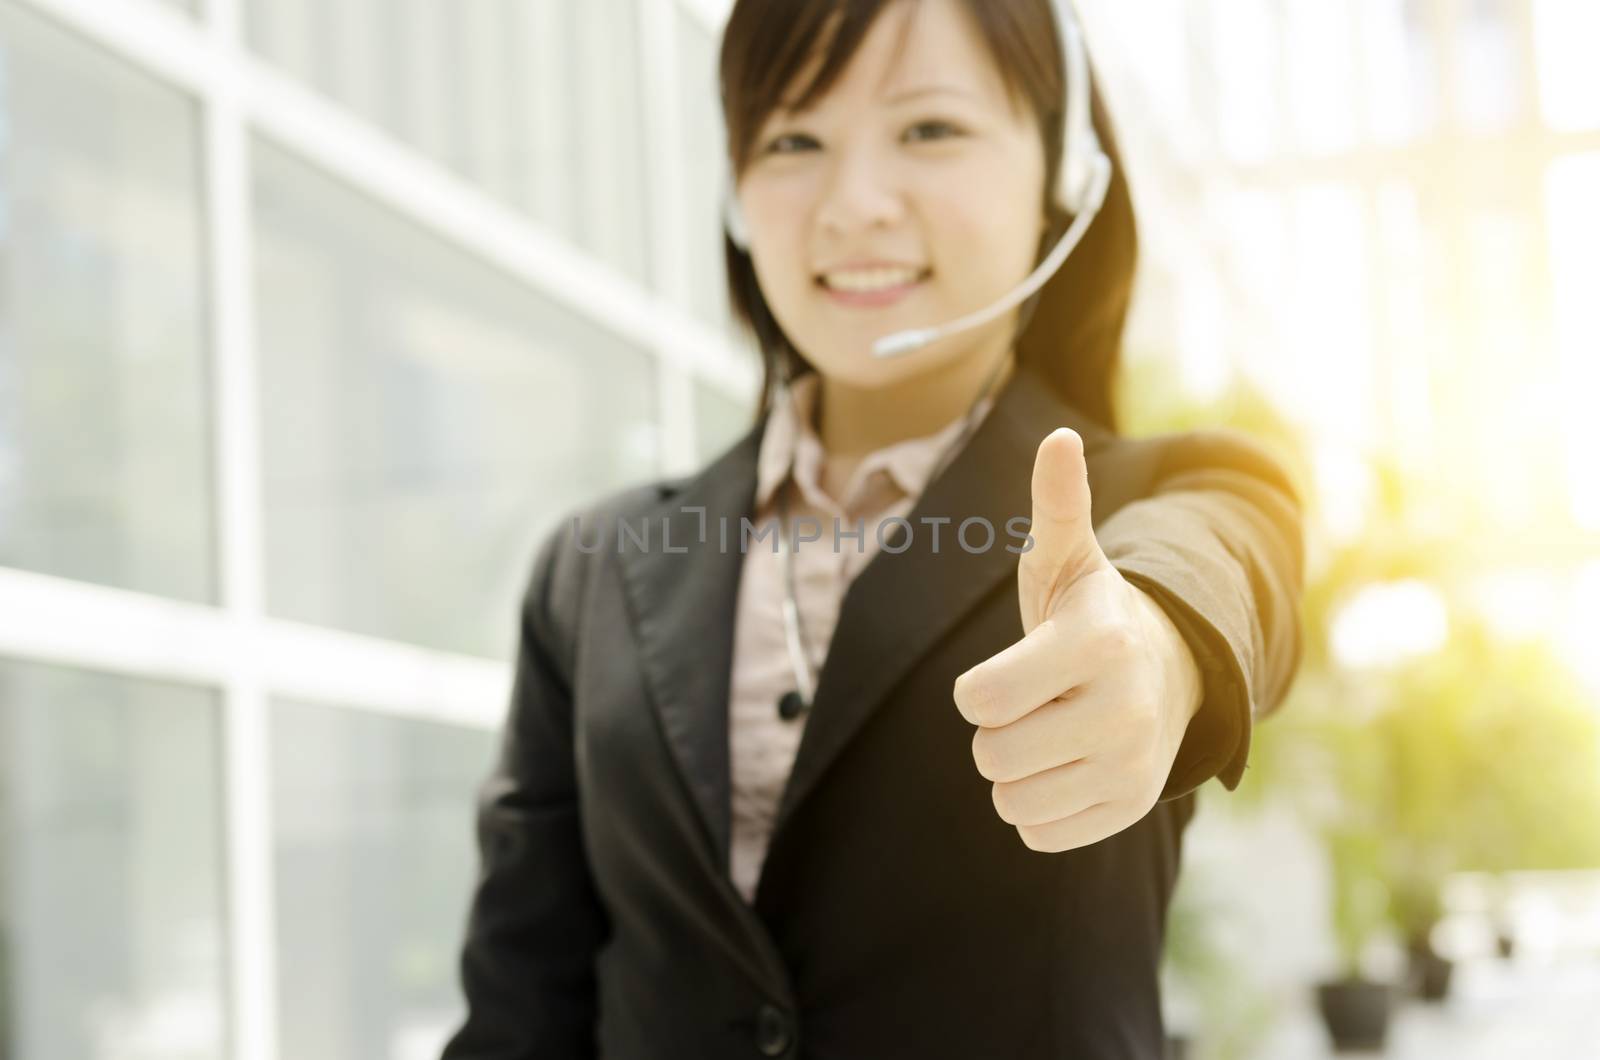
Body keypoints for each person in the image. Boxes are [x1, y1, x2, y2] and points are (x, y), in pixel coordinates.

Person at [442, 0, 1303, 1057]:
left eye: (927, 129)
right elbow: (520, 1014)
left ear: (1062, 174)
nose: (853, 205)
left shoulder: (1135, 507)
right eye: (793, 140)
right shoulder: (595, 569)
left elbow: (1225, 547)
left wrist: (1163, 653)